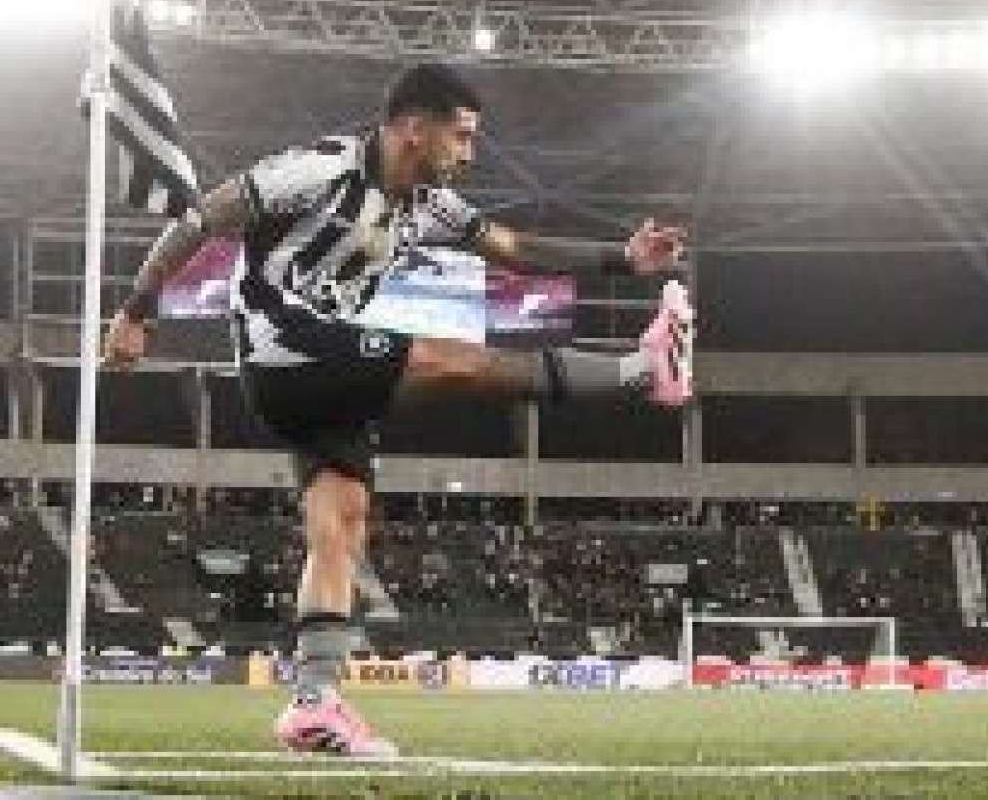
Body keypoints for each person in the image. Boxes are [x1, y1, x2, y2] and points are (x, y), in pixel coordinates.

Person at [101, 63, 695, 760]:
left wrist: (623, 258)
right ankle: (641, 370)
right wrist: (137, 310)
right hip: (281, 346)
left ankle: (312, 704)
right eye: (461, 135)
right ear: (414, 127)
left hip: (325, 369)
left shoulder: (429, 204)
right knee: (452, 359)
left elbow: (514, 248)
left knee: (341, 521)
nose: (468, 153)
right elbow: (202, 217)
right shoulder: (320, 169)